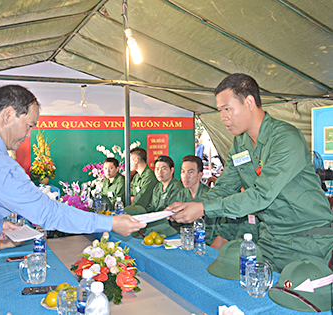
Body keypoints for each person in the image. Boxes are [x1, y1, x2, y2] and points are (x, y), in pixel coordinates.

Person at [0, 85, 146, 315]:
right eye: (29, 125)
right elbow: (48, 213)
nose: (28, 135)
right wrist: (112, 223)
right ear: (8, 115)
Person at [167, 73, 333, 273]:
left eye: (227, 109)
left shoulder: (285, 138)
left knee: (298, 299)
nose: (223, 117)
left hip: (307, 239)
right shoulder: (241, 144)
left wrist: (203, 209)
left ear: (249, 102)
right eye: (220, 111)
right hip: (271, 239)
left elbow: (261, 195)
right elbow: (225, 187)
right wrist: (193, 205)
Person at [126, 155, 182, 237]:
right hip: (156, 222)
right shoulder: (158, 187)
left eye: (164, 168)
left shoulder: (177, 188)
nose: (160, 172)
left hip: (170, 227)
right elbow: (151, 207)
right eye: (157, 169)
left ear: (172, 170)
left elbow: (169, 213)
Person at [174, 155, 223, 245]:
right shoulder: (181, 194)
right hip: (185, 240)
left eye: (191, 172)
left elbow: (210, 229)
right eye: (183, 172)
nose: (186, 176)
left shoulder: (209, 196)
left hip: (205, 242)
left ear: (200, 175)